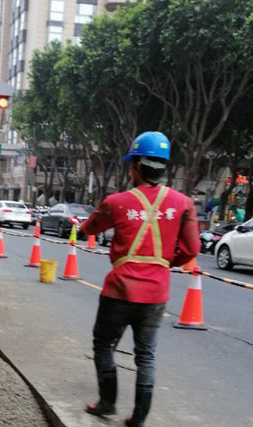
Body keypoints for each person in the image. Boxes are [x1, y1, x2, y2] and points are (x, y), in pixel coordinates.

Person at [80, 131, 200, 427]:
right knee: (145, 356)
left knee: (104, 345)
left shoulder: (117, 201)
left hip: (118, 291)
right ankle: (139, 418)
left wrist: (92, 222)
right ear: (163, 167)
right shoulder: (183, 203)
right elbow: (192, 249)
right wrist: (164, 263)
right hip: (156, 294)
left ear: (134, 166)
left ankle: (107, 403)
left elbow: (90, 228)